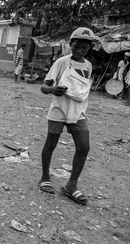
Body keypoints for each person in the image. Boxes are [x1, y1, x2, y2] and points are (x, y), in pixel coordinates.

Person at [38, 27, 99, 205]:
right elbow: (44, 86)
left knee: (83, 147)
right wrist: (52, 90)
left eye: (85, 47)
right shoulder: (62, 62)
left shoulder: (88, 66)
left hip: (78, 111)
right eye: (77, 45)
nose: (80, 49)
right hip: (59, 109)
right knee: (51, 144)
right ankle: (45, 177)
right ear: (70, 44)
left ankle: (71, 185)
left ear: (90, 48)